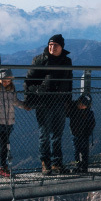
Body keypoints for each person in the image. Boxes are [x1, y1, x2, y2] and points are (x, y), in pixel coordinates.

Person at [24, 34, 74, 175]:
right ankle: (45, 164)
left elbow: (69, 82)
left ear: (61, 47)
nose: (52, 48)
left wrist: (68, 102)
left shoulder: (66, 61)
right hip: (43, 102)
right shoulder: (39, 60)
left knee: (57, 134)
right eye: (50, 45)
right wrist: (30, 98)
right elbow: (28, 81)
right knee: (44, 134)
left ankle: (57, 164)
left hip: (60, 102)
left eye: (55, 45)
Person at [69, 94, 95, 174]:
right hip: (76, 135)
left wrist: (88, 132)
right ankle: (78, 165)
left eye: (84, 105)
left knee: (84, 151)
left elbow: (92, 124)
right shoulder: (74, 111)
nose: (82, 106)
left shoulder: (89, 113)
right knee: (76, 151)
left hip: (84, 135)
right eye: (81, 103)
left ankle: (84, 167)